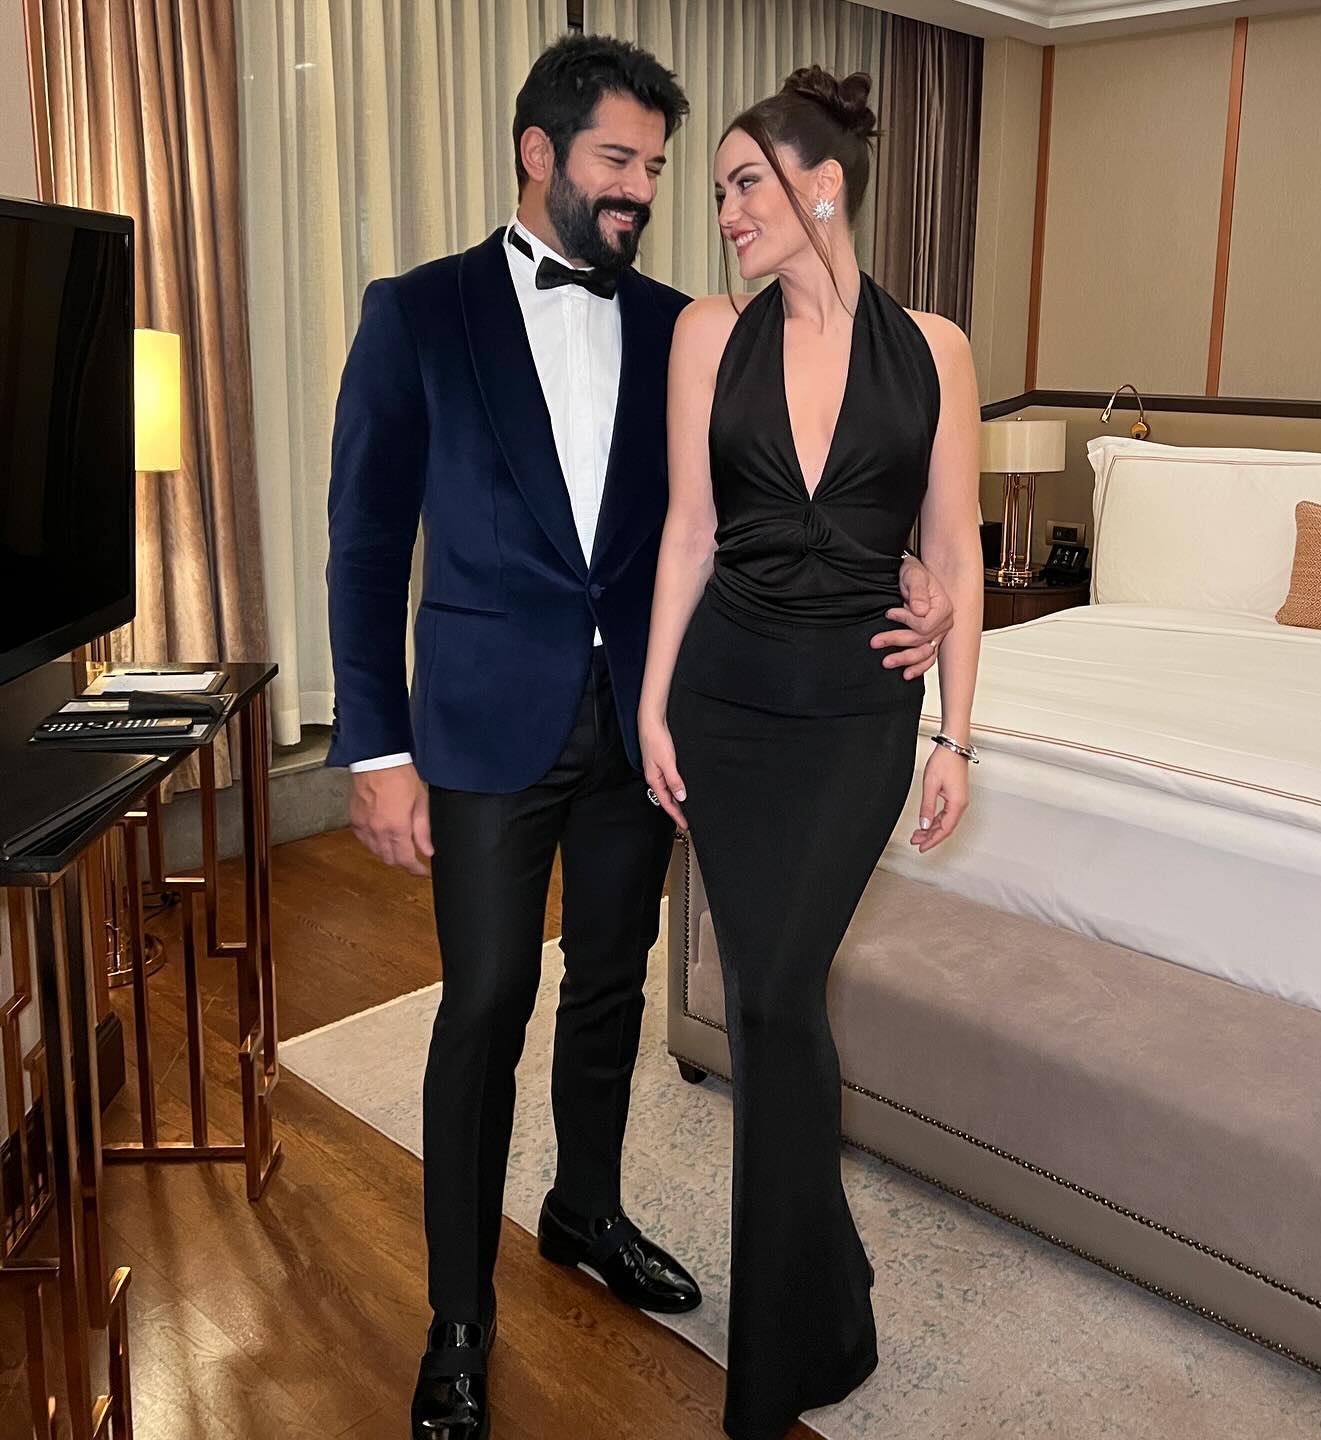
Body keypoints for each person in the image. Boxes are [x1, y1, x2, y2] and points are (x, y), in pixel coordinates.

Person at [326, 36, 956, 1440]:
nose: (645, 192)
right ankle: (459, 1320)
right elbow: (364, 546)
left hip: (647, 729)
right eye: (620, 161)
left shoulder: (691, 327)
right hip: (483, 730)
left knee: (610, 988)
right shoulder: (417, 313)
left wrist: (912, 571)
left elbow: (752, 509)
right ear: (539, 154)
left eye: (659, 169)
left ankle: (586, 1209)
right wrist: (373, 747)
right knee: (485, 1006)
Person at [638, 66, 983, 1440]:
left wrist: (958, 728)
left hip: (857, 717)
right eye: (719, 189)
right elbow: (688, 533)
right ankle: (824, 1301)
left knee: (779, 992)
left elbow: (953, 550)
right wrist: (653, 705)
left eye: (745, 184)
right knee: (771, 1007)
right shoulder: (706, 336)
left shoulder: (936, 349)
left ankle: (788, 1342)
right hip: (725, 704)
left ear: (821, 187)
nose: (723, 211)